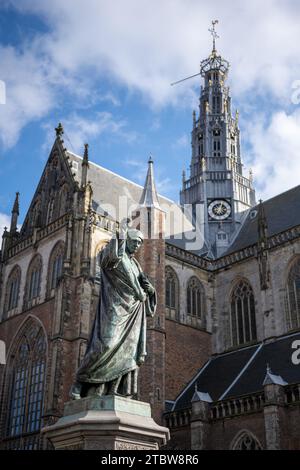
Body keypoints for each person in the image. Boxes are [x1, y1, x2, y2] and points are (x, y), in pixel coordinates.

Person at [70, 219, 156, 399]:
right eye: (136, 241)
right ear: (127, 240)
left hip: (132, 313)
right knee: (105, 345)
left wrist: (150, 291)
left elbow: (144, 285)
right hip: (114, 309)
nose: (138, 246)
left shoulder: (136, 264)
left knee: (128, 353)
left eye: (141, 242)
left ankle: (113, 391)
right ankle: (79, 383)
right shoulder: (113, 255)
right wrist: (121, 234)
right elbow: (110, 257)